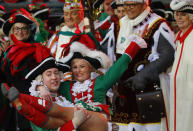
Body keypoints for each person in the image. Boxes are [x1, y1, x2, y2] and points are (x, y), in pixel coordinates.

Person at [0, 40, 108, 131]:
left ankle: (21, 102)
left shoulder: (64, 90)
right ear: (41, 79)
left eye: (56, 73)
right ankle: (20, 102)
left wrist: (113, 123)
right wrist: (74, 123)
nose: (54, 77)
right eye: (49, 74)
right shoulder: (40, 96)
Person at [116, 0, 175, 131]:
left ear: (144, 5)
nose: (128, 8)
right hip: (125, 92)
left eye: (133, 5)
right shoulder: (121, 23)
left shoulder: (158, 24)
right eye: (126, 4)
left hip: (149, 92)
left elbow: (168, 56)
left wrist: (143, 76)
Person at [170, 0, 193, 131]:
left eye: (183, 14)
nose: (179, 17)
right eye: (177, 14)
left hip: (189, 93)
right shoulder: (178, 36)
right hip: (177, 91)